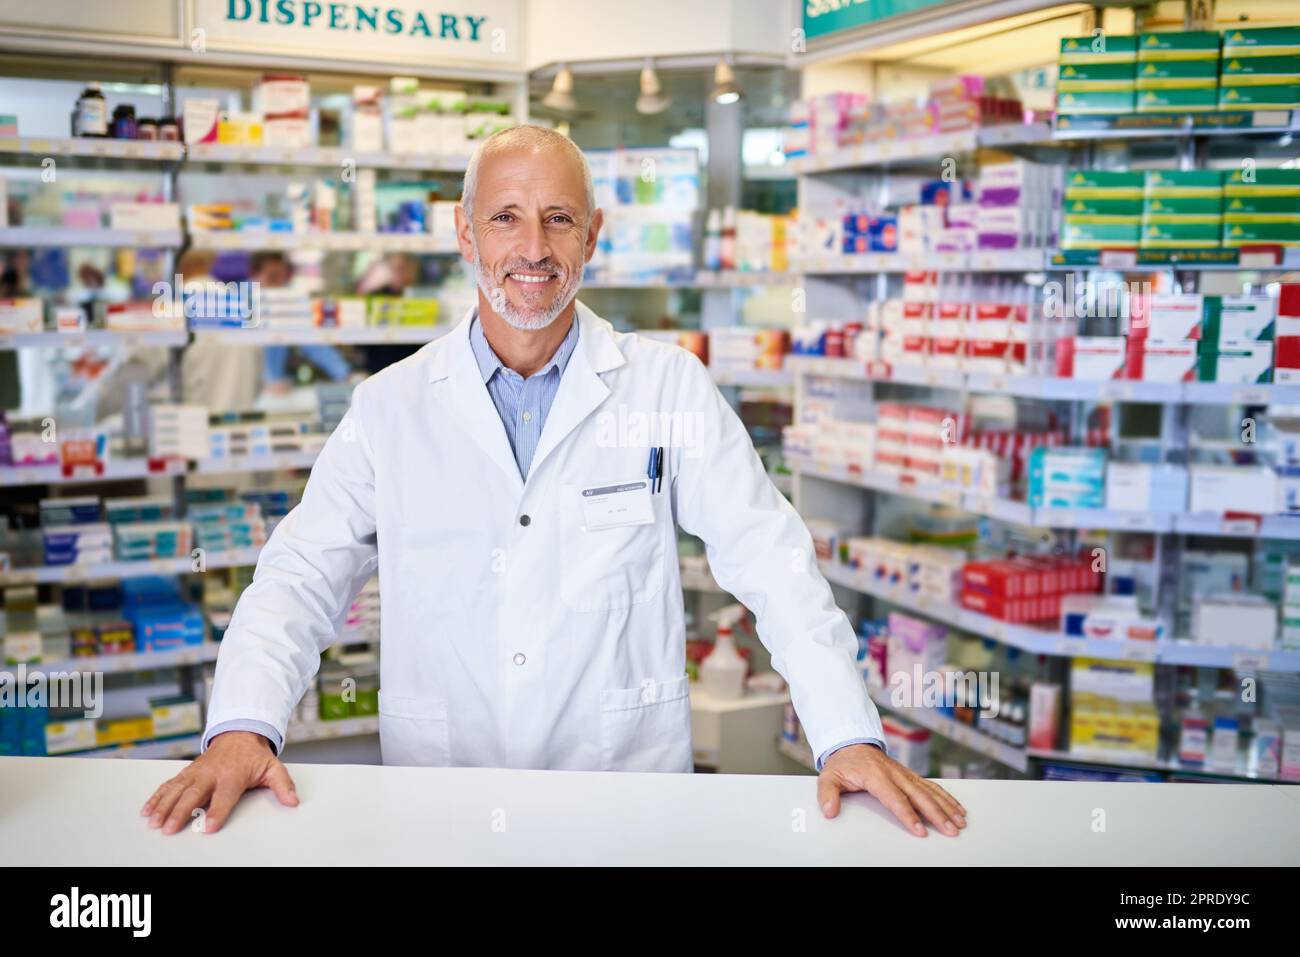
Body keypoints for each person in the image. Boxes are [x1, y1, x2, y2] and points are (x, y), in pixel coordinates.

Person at [143, 125, 967, 840]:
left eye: (558, 219)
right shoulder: (390, 407)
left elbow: (773, 558)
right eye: (505, 216)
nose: (532, 247)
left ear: (592, 235)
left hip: (623, 799)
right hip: (441, 797)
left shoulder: (666, 387)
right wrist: (244, 723)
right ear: (465, 235)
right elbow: (299, 576)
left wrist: (846, 734)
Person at [254, 251, 352, 395]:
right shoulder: (239, 303)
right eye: (272, 277)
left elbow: (312, 342)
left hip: (270, 394)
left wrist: (344, 374)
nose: (278, 284)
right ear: (254, 276)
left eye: (282, 277)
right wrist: (268, 380)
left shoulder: (286, 304)